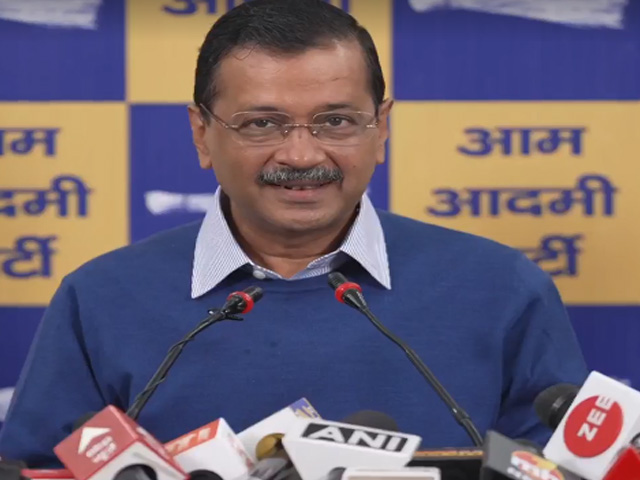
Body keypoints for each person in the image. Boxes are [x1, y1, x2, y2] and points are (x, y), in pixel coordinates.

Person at [0, 0, 587, 467]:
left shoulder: (501, 288)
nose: (302, 155)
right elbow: (36, 467)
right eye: (262, 123)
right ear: (202, 133)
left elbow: (563, 465)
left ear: (381, 128)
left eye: (336, 121)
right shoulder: (101, 298)